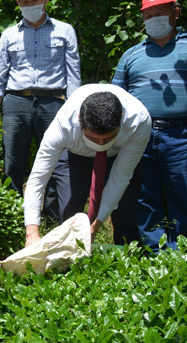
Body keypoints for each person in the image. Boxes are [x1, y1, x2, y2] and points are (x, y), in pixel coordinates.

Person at [24, 84, 151, 247]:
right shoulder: (64, 124)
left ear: (122, 118)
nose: (100, 144)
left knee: (125, 214)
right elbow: (38, 179)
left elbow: (120, 177)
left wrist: (94, 228)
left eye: (108, 139)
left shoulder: (139, 120)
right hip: (74, 156)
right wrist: (32, 233)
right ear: (79, 120)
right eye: (93, 138)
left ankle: (128, 259)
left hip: (118, 156)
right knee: (69, 213)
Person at [0, 0, 81, 220]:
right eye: (24, 1)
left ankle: (51, 218)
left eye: (33, 0)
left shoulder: (65, 31)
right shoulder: (9, 35)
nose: (28, 5)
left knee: (56, 161)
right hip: (15, 103)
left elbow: (73, 75)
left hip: (53, 103)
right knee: (12, 162)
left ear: (45, 1)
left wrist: (74, 110)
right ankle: (13, 215)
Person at [111, 0, 187, 251]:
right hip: (140, 137)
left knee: (183, 192)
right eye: (148, 16)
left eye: (160, 14)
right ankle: (156, 251)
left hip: (181, 135)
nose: (154, 20)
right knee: (145, 196)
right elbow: (115, 96)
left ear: (175, 13)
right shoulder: (132, 54)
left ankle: (182, 248)